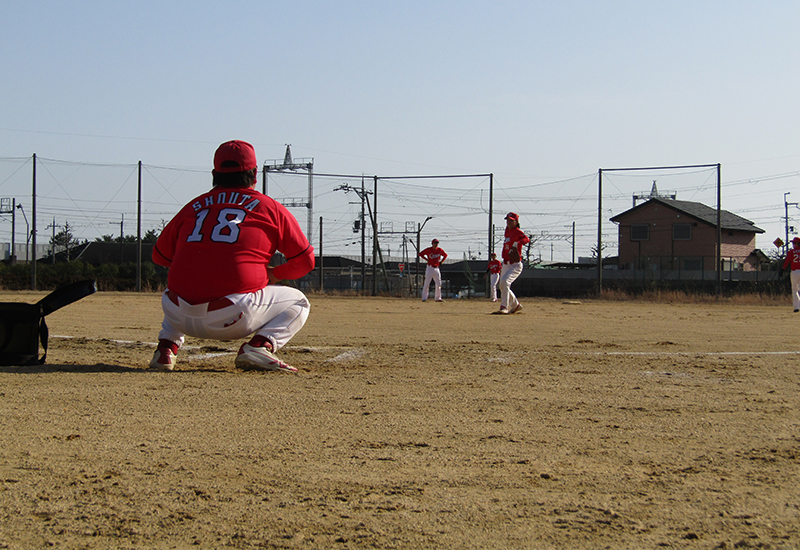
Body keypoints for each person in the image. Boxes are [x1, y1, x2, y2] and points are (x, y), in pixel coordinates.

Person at [149, 140, 315, 372]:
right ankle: (259, 346)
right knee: (299, 302)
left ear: (214, 174)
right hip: (232, 317)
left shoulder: (193, 206)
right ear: (255, 174)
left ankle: (166, 348)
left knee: (179, 287)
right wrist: (275, 274)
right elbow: (305, 262)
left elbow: (159, 257)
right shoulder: (269, 207)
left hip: (176, 313)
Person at [494, 212, 530, 314]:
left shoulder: (517, 232)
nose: (508, 222)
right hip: (505, 264)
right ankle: (515, 305)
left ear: (516, 222)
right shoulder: (507, 231)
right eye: (507, 220)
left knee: (505, 282)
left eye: (511, 220)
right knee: (502, 285)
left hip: (515, 265)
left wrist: (518, 242)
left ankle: (504, 307)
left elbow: (526, 239)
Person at [782, 236, 800, 313]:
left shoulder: (791, 252)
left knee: (795, 289)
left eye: (794, 243)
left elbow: (787, 261)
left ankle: (796, 307)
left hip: (795, 272)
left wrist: (783, 269)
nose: (793, 244)